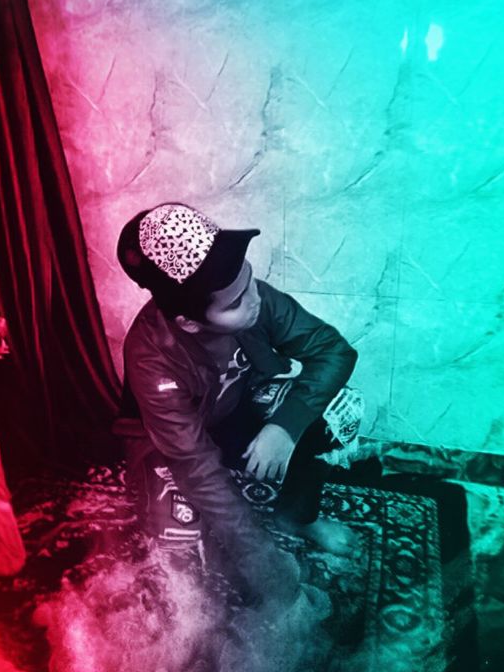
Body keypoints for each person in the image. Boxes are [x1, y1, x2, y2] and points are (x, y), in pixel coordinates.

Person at [116, 202, 361, 603]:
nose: (254, 301)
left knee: (337, 408)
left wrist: (284, 428)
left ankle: (298, 517)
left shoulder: (254, 296)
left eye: (249, 279)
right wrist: (261, 560)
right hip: (170, 444)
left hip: (234, 409)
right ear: (189, 323)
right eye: (233, 304)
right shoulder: (150, 357)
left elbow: (333, 351)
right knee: (180, 557)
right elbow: (194, 462)